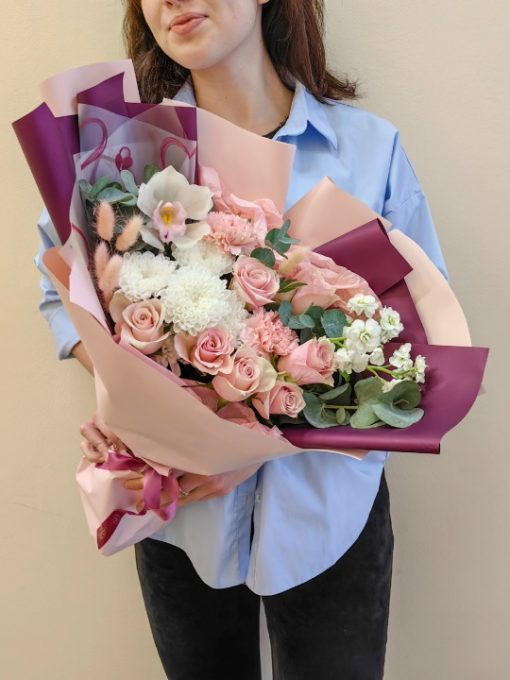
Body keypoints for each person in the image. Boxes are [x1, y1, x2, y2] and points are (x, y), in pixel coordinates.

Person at [35, 1, 448, 678]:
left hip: (329, 517)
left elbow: (419, 352)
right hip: (178, 518)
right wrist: (132, 403)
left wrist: (246, 441)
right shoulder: (119, 153)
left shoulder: (369, 152)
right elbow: (63, 292)